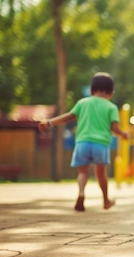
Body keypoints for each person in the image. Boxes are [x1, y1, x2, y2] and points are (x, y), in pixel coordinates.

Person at [38, 72, 128, 212]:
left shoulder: (83, 103)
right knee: (101, 174)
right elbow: (114, 128)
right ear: (111, 93)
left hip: (82, 143)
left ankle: (81, 193)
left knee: (83, 172)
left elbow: (69, 117)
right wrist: (123, 134)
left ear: (92, 90)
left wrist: (49, 122)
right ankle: (105, 200)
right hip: (100, 144)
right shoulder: (111, 107)